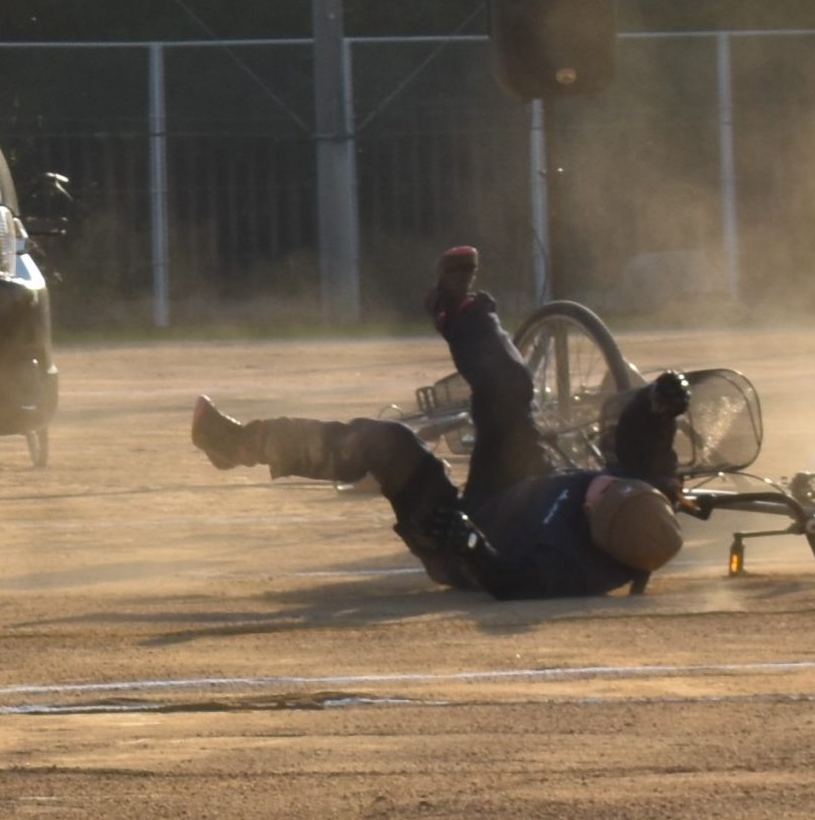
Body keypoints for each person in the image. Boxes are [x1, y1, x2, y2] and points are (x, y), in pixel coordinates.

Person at [190, 246, 688, 598]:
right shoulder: (640, 494)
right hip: (522, 482)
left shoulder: (571, 571)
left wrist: (470, 546)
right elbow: (645, 438)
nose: (599, 485)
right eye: (616, 486)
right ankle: (458, 309)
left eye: (602, 498)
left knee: (389, 442)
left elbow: (508, 584)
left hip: (461, 538)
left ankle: (236, 444)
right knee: (510, 389)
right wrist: (659, 404)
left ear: (599, 533)